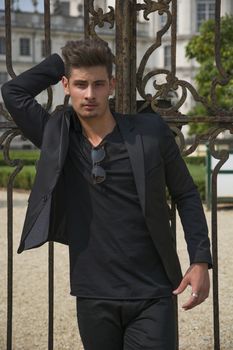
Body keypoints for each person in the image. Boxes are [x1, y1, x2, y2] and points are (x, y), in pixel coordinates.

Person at [1, 39, 212, 350]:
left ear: (112, 85)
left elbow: (187, 195)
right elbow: (13, 93)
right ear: (66, 86)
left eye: (98, 84)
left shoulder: (149, 133)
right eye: (80, 84)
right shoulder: (59, 138)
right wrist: (64, 59)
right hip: (92, 293)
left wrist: (200, 260)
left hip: (152, 292)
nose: (89, 94)